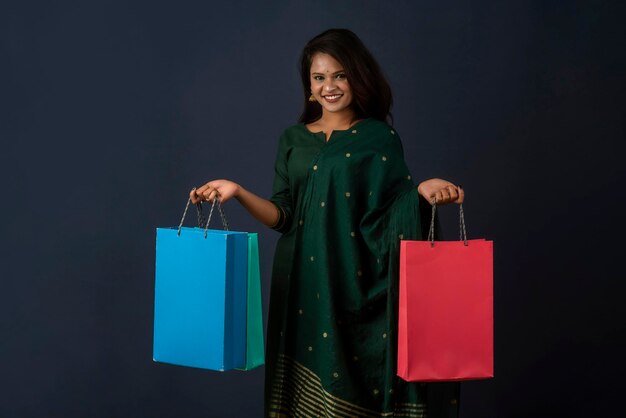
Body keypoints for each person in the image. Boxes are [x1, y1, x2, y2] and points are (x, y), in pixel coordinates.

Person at [191, 29, 463, 418]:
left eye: (340, 75)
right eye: (319, 78)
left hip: (354, 283)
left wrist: (421, 193)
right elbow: (284, 215)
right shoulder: (293, 139)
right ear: (308, 87)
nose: (329, 86)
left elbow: (391, 216)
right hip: (300, 284)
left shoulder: (379, 139)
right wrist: (237, 191)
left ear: (357, 77)